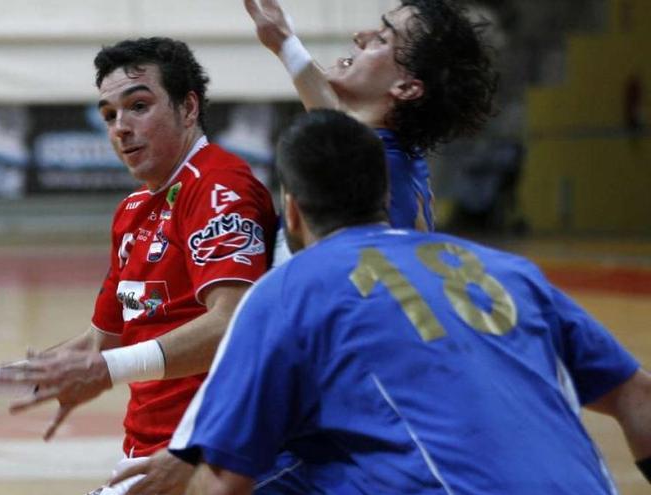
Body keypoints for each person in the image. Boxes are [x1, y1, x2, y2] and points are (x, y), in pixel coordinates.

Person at [167, 109, 651, 494]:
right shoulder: (506, 271)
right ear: (385, 192)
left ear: (290, 210)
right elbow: (638, 395)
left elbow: (225, 482)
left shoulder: (289, 289)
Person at [0, 37, 277, 495]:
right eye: (109, 115)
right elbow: (102, 341)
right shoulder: (133, 211)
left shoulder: (219, 186)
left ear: (188, 108)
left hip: (211, 457)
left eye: (138, 106)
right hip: (147, 456)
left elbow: (235, 322)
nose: (120, 127)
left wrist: (107, 370)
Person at [244, 0, 497, 263]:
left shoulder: (376, 172)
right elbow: (333, 110)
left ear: (406, 88)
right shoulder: (377, 153)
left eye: (382, 38)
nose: (361, 36)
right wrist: (283, 41)